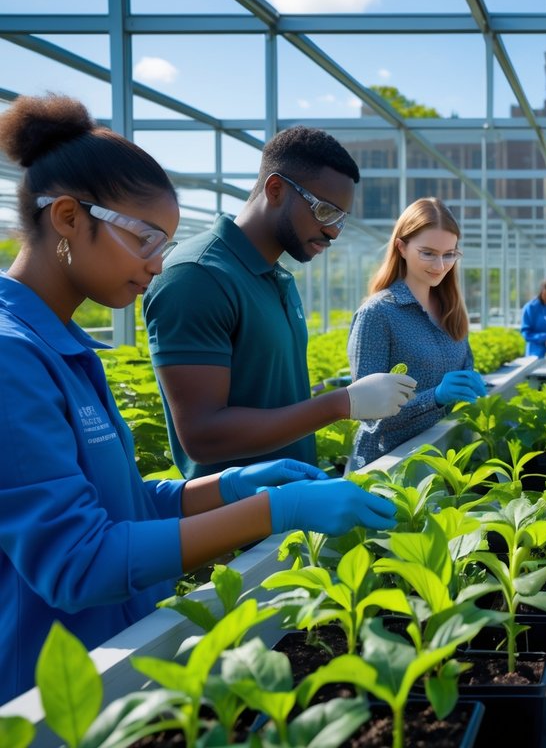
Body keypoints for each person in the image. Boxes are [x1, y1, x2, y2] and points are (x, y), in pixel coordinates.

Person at [0, 95, 397, 704]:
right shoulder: (12, 358)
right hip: (51, 701)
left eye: (165, 243)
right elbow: (78, 561)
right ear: (68, 219)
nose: (158, 266)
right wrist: (275, 512)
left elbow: (122, 508)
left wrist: (231, 487)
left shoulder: (67, 347)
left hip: (124, 670)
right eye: (144, 240)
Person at [143, 126, 416, 479]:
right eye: (324, 212)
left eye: (341, 219)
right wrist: (342, 403)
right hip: (236, 524)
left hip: (292, 509)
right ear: (275, 189)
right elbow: (202, 436)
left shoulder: (278, 278)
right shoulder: (196, 276)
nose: (333, 231)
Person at [347, 198, 486, 469]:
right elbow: (366, 413)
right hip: (387, 466)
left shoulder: (452, 311)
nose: (440, 265)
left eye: (449, 254)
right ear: (401, 247)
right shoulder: (378, 313)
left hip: (441, 453)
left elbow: (463, 377)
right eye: (428, 253)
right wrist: (434, 398)